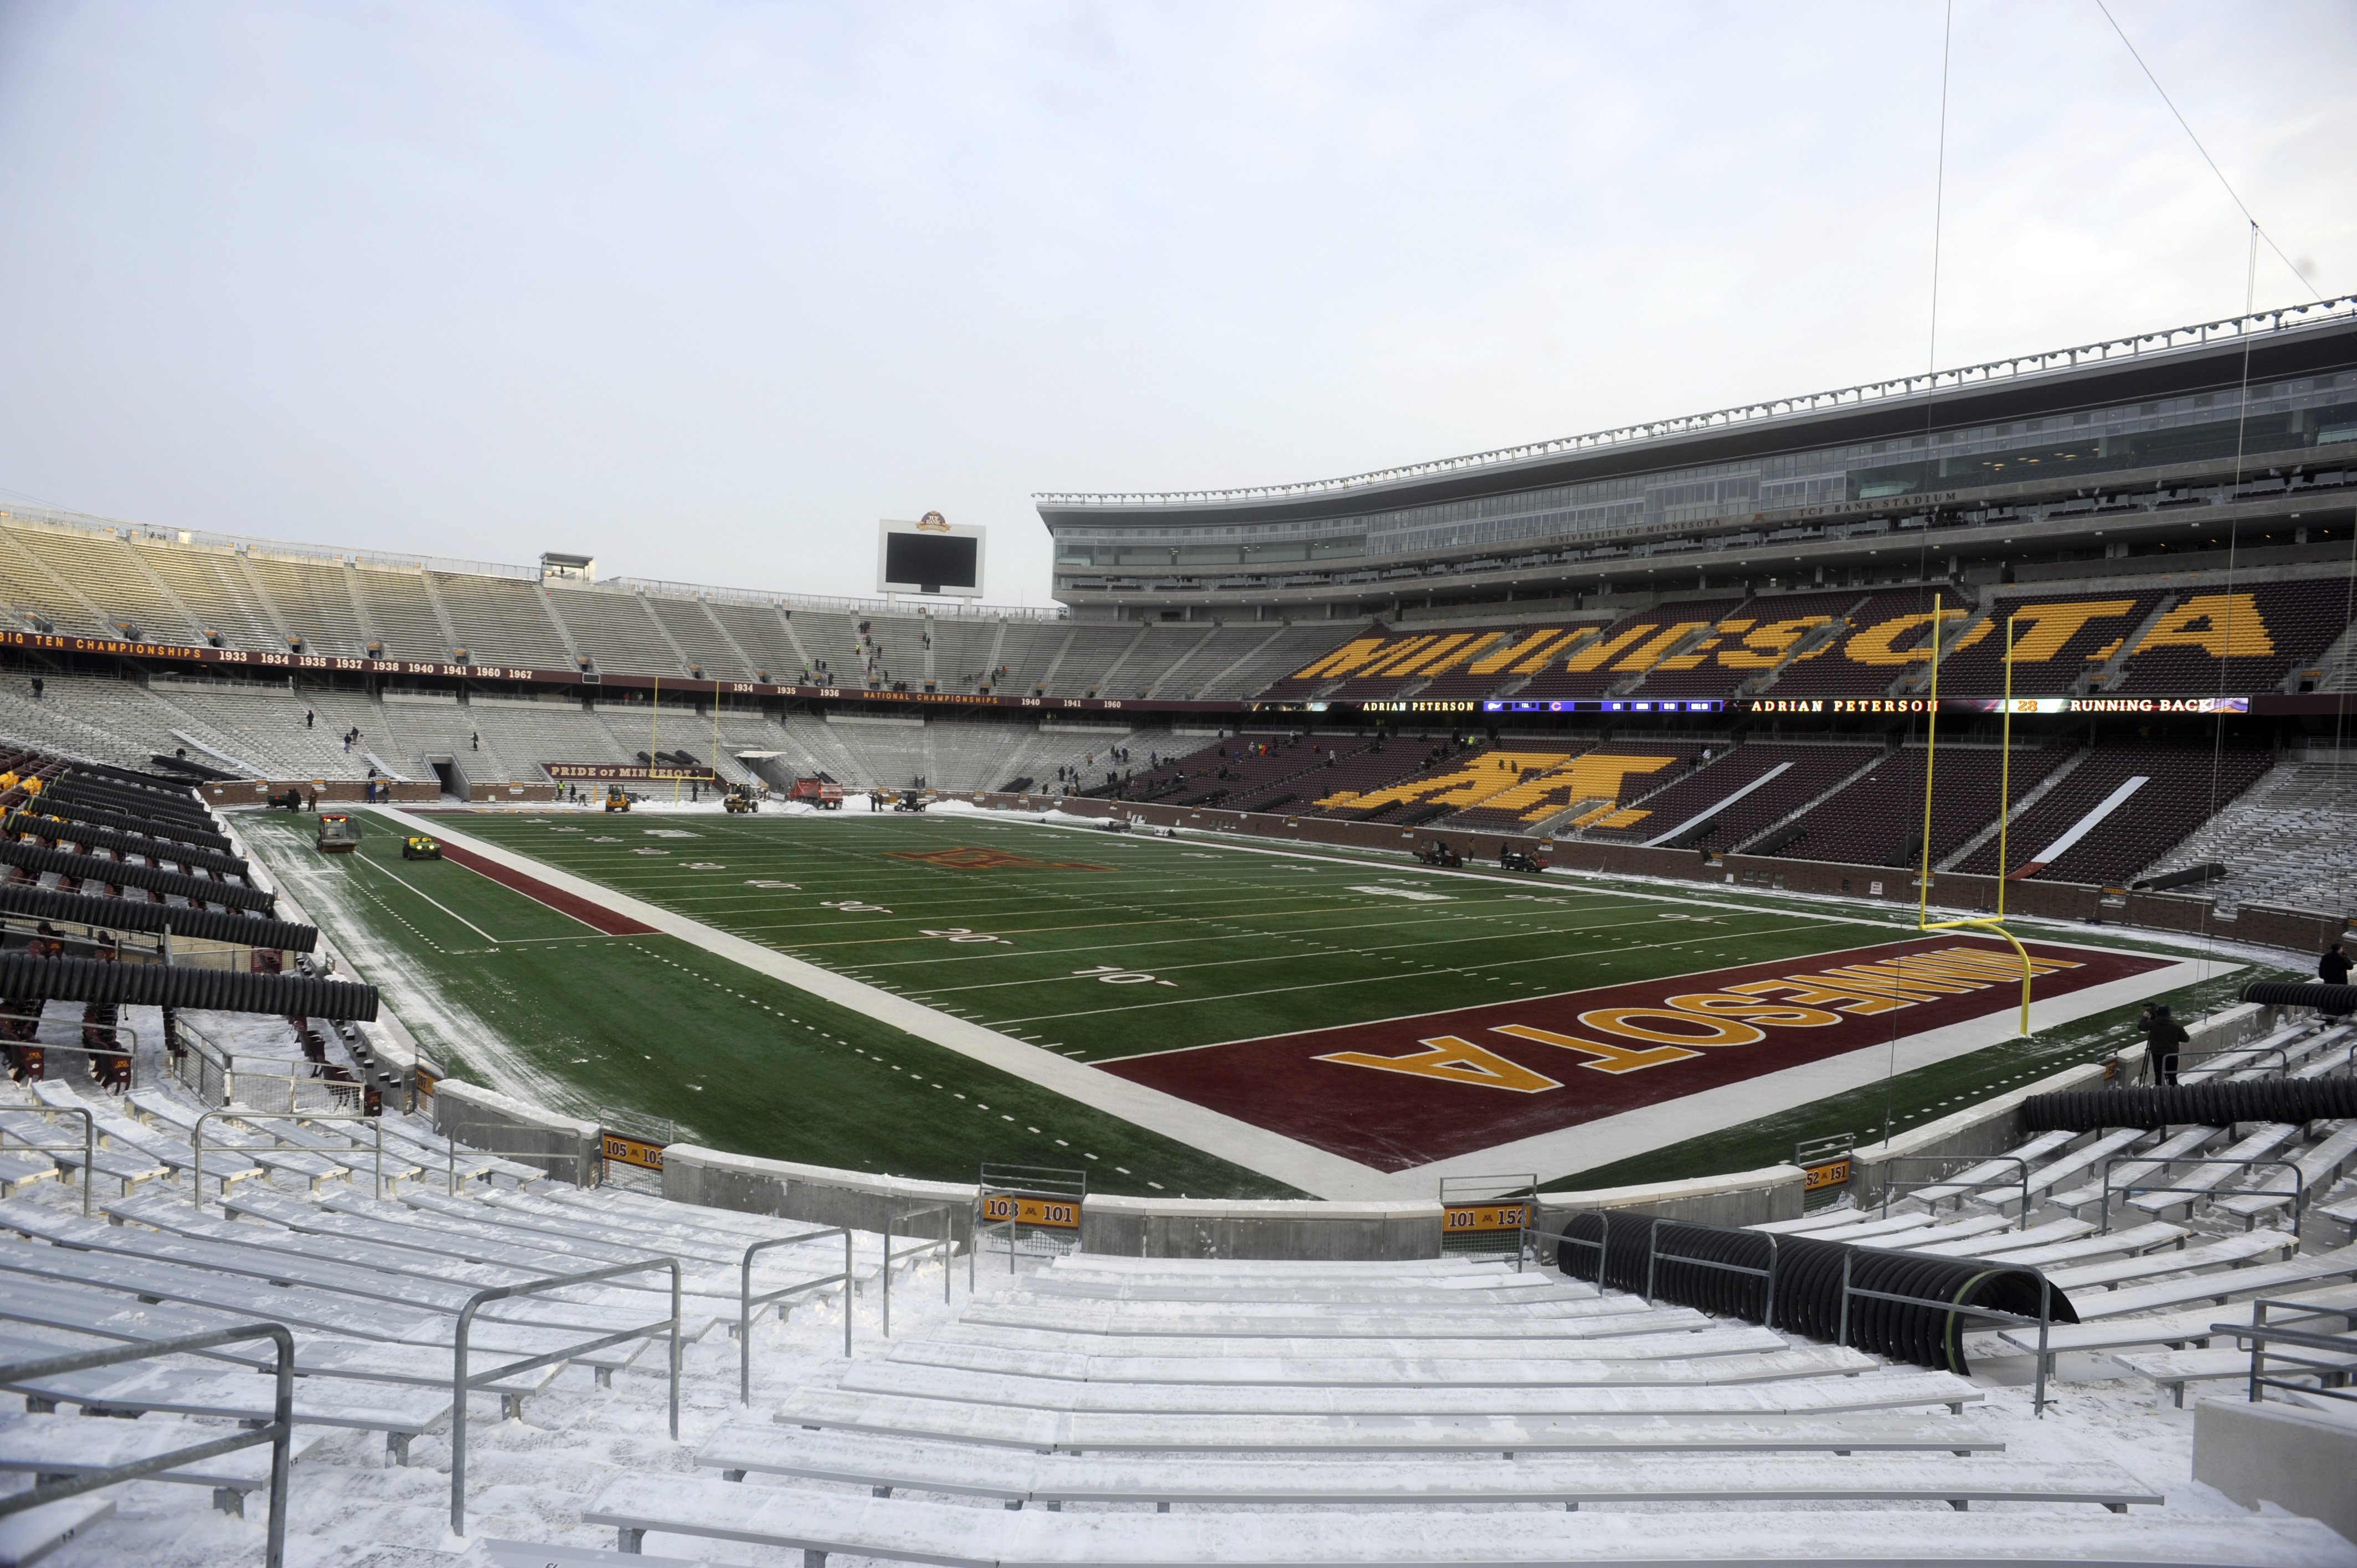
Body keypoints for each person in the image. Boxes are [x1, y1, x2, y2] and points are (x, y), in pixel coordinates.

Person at [2143, 1002, 2189, 1086]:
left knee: (2159, 1076)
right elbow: (2186, 1039)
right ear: (2169, 1014)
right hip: (2172, 1054)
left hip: (2157, 1053)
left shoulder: (2152, 1024)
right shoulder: (2176, 1026)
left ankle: (2159, 1093)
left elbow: (2142, 1027)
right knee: (2172, 1075)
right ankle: (2173, 1093)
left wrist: (2145, 1017)